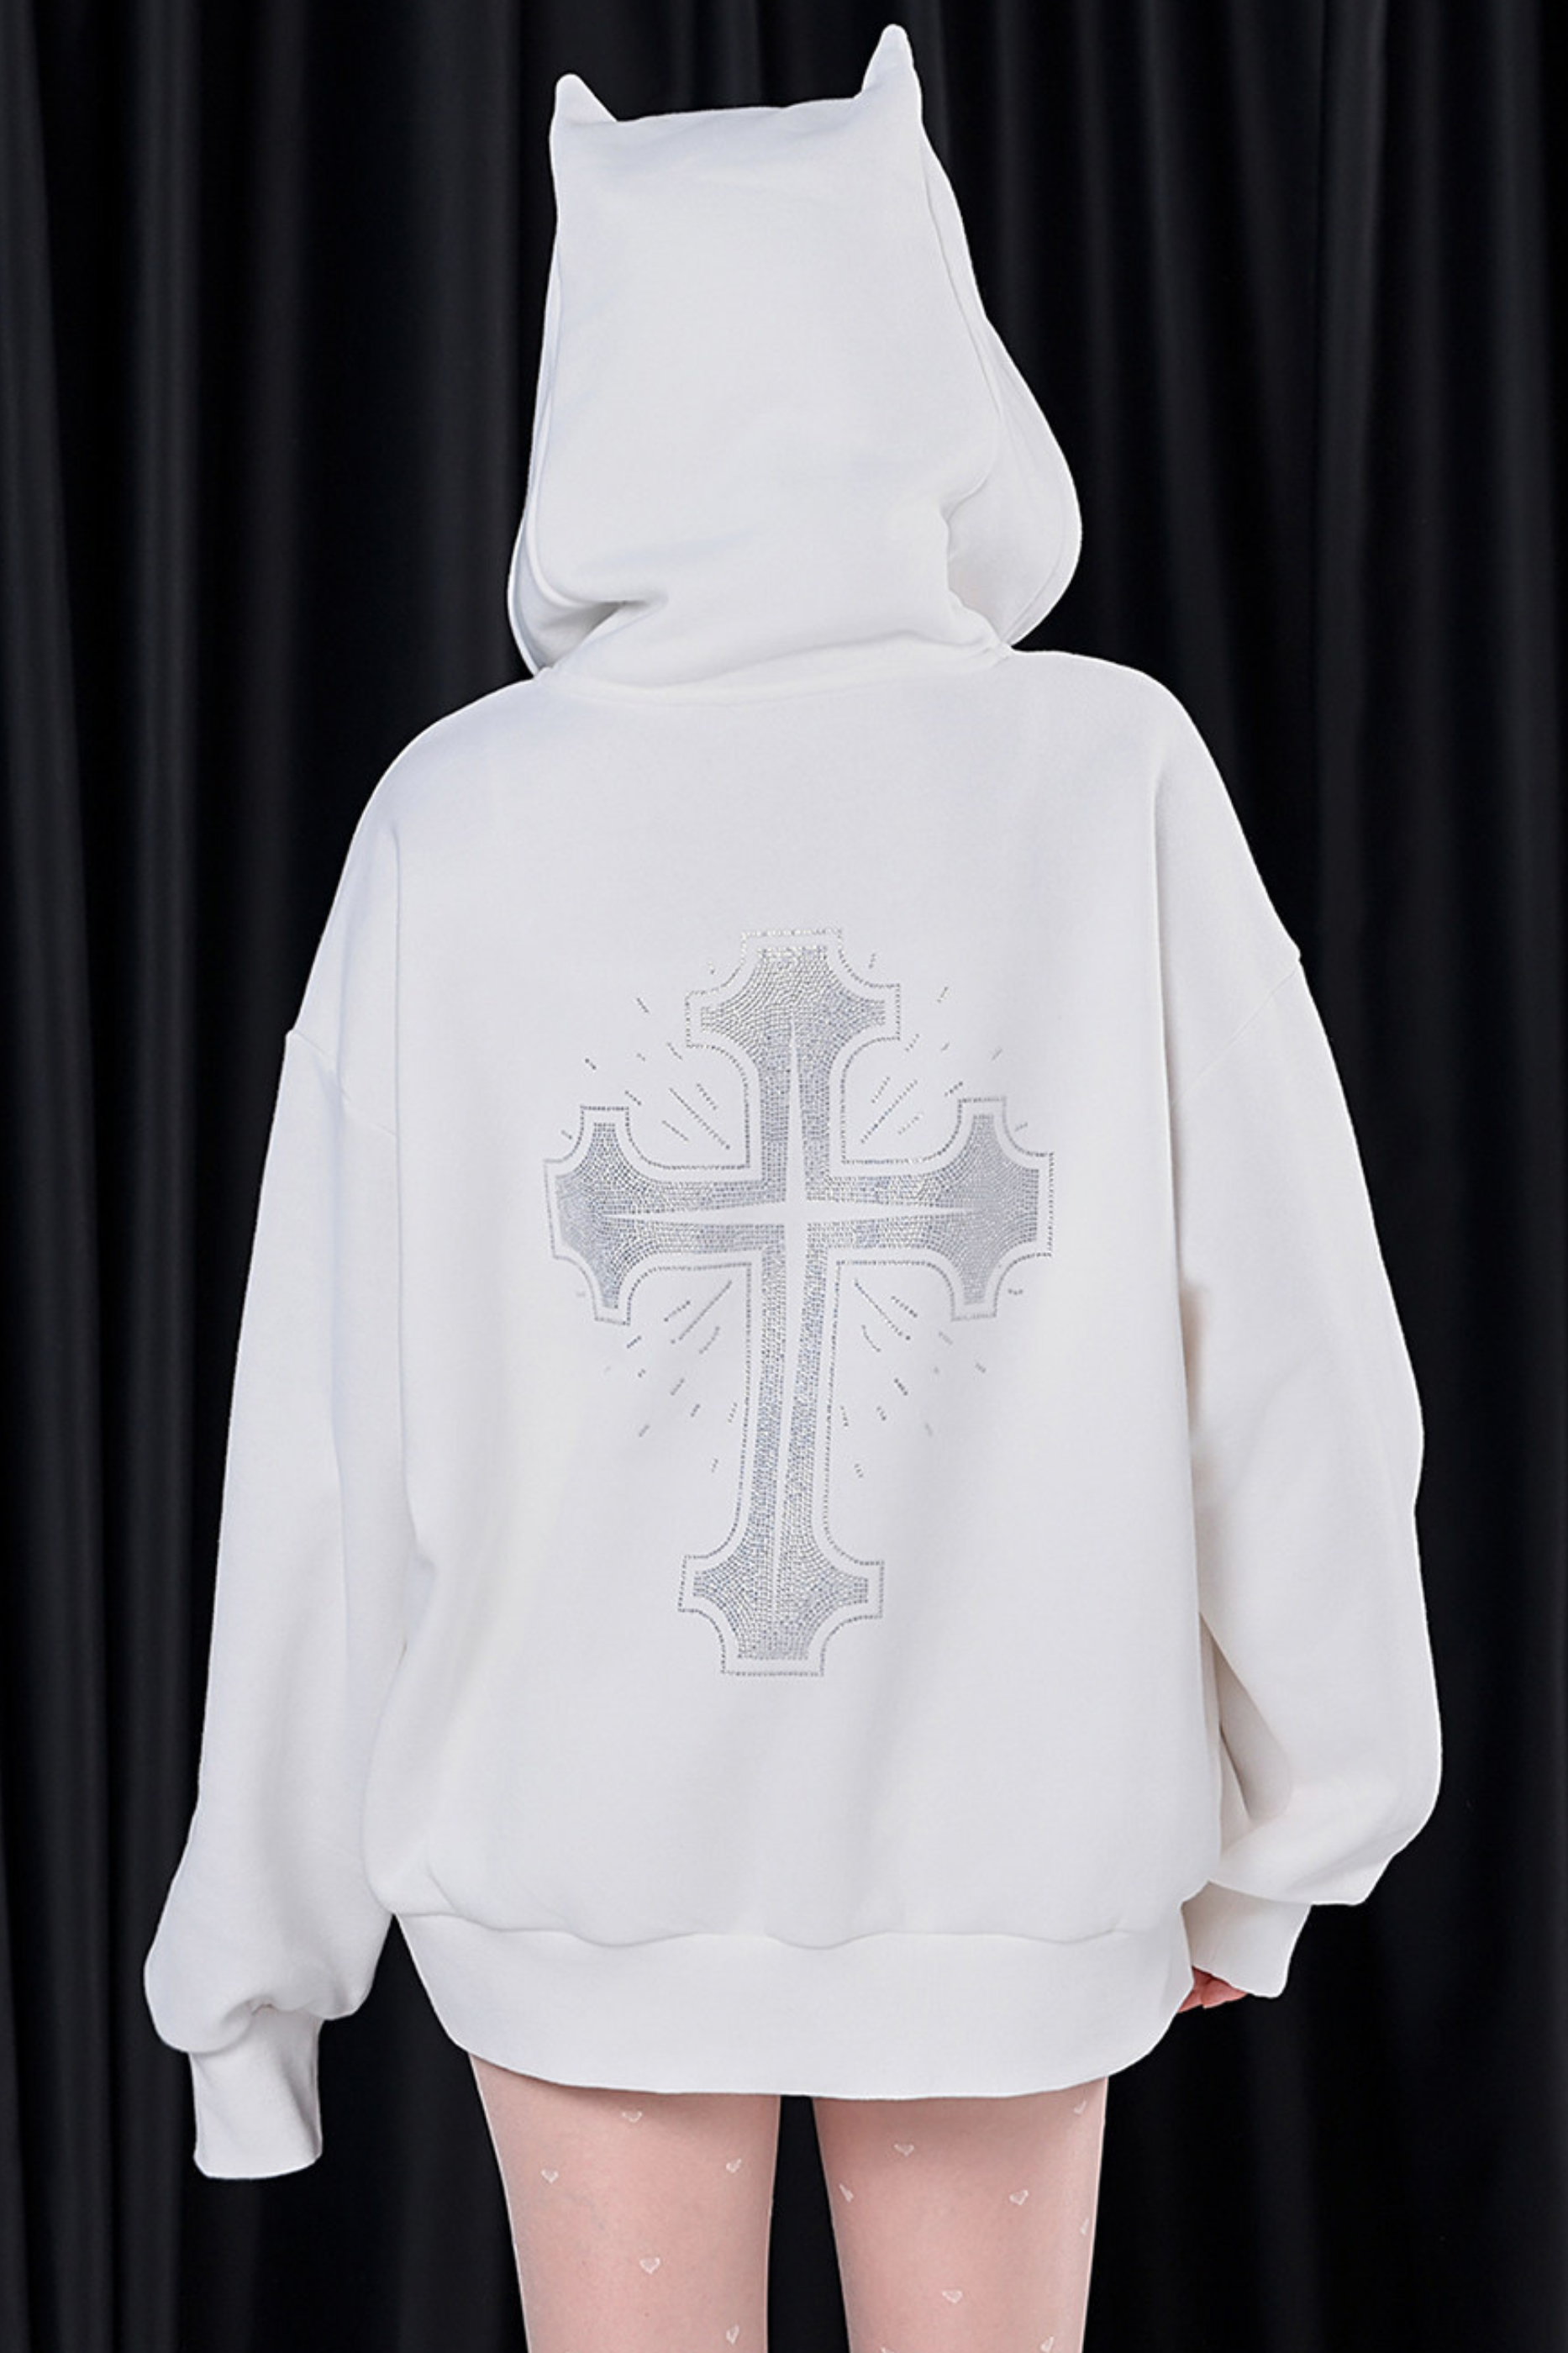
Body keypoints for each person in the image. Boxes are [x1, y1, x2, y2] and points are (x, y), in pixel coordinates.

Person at [141, 24, 1442, 2353]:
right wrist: (1294, 1823)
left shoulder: (459, 819)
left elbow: (321, 1441)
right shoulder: (1103, 775)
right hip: (1010, 1862)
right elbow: (1293, 1350)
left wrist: (254, 1969)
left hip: (575, 1855)